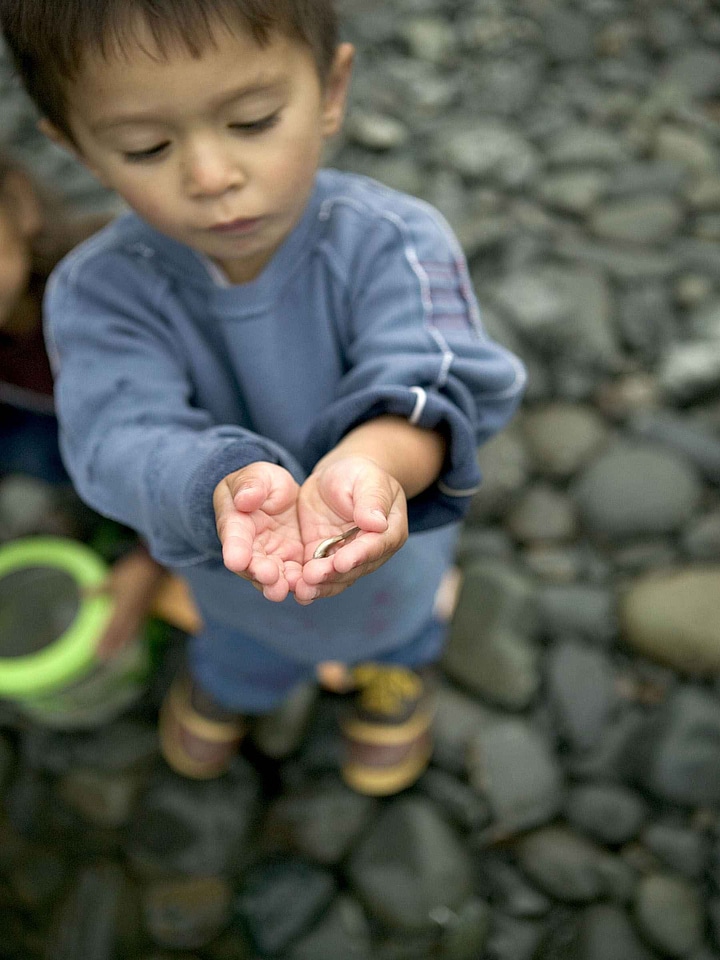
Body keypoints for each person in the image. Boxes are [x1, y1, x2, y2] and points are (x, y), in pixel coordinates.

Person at [0, 0, 526, 795]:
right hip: (231, 577)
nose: (212, 177)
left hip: (389, 557)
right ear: (76, 146)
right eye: (147, 145)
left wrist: (374, 462)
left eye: (252, 121)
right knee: (242, 643)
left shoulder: (391, 239)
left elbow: (443, 375)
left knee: (399, 627)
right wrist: (218, 486)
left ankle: (391, 676)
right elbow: (115, 436)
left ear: (331, 90)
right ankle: (237, 682)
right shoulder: (97, 292)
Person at [0, 147, 164, 662]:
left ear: (20, 204)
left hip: (173, 434)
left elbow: (211, 430)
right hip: (43, 425)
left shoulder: (125, 282)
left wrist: (152, 560)